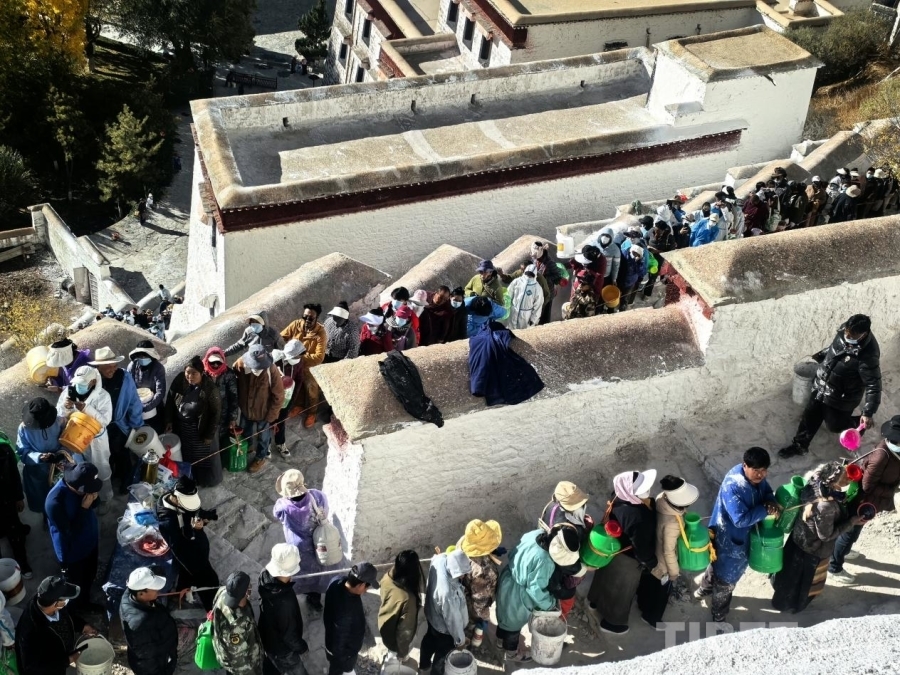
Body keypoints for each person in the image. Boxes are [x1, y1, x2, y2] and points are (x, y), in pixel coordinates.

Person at [696, 448, 778, 632]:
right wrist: (765, 510)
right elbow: (740, 520)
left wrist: (770, 501)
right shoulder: (734, 486)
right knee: (726, 581)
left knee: (715, 565)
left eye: (764, 470)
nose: (760, 475)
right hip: (729, 539)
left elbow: (766, 491)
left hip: (742, 536)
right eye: (756, 470)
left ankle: (704, 589)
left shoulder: (755, 478)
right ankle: (718, 616)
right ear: (744, 465)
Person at [779, 315, 881, 458]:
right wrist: (821, 356)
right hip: (822, 384)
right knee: (810, 416)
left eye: (851, 335)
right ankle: (800, 446)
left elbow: (873, 384)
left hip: (842, 397)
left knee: (835, 426)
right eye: (847, 332)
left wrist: (868, 412)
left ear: (863, 334)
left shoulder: (868, 356)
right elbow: (834, 348)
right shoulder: (843, 331)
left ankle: (858, 424)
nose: (847, 336)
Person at [772, 462, 861, 612]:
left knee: (788, 575)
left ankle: (780, 599)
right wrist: (851, 522)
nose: (848, 480)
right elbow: (826, 536)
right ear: (833, 482)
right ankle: (792, 605)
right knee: (801, 583)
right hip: (812, 550)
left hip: (798, 539)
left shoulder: (815, 482)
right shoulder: (826, 506)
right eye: (844, 478)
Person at [587, 470, 662, 634]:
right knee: (621, 592)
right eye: (643, 488)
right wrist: (651, 562)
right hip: (627, 558)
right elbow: (641, 547)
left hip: (610, 547)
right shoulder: (638, 516)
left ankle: (594, 602)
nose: (647, 491)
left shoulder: (618, 496)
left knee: (603, 578)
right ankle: (612, 623)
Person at [828, 416, 900, 583]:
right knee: (849, 533)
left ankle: (843, 550)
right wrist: (890, 490)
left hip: (872, 501)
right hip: (862, 500)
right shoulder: (882, 456)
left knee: (853, 531)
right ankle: (834, 567)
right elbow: (867, 486)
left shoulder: (893, 451)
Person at [273, 469, 338, 611]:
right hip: (319, 542)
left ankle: (304, 592)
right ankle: (315, 598)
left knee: (301, 571)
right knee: (318, 568)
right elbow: (325, 512)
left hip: (299, 546)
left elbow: (277, 515)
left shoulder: (282, 506)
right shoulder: (318, 496)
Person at [495, 528, 561, 661]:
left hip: (507, 579)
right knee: (513, 626)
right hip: (518, 596)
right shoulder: (545, 560)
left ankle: (500, 641)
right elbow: (535, 590)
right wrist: (550, 604)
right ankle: (512, 654)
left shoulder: (535, 534)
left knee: (503, 616)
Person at [45, 463, 102, 616]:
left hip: (90, 540)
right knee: (75, 585)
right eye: (88, 489)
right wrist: (83, 508)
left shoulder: (82, 487)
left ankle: (86, 598)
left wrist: (94, 498)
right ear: (77, 487)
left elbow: (95, 504)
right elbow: (69, 533)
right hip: (73, 551)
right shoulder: (55, 502)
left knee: (90, 574)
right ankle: (77, 610)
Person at [157, 476, 219, 610]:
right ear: (176, 498)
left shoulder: (170, 499)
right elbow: (184, 550)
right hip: (189, 554)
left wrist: (205, 517)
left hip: (191, 544)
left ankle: (182, 589)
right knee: (209, 583)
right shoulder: (168, 522)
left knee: (187, 578)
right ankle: (212, 611)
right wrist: (197, 531)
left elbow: (193, 510)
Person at [16, 576, 97, 675]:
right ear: (56, 604)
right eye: (66, 600)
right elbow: (33, 665)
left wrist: (82, 626)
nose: (67, 602)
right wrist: (68, 660)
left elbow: (68, 616)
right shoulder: (30, 630)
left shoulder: (46, 599)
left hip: (60, 656)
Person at [55, 366, 114, 503]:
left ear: (93, 382)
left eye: (83, 384)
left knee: (101, 469)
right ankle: (85, 498)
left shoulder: (103, 396)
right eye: (78, 383)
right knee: (80, 469)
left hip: (96, 441)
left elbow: (105, 420)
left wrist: (86, 409)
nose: (79, 386)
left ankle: (105, 498)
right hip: (74, 437)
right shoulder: (69, 391)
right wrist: (66, 407)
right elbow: (60, 415)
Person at [90, 346, 143, 495]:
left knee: (122, 454)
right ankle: (113, 478)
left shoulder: (124, 377)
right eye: (108, 366)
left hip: (118, 425)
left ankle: (126, 482)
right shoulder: (92, 380)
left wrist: (136, 424)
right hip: (100, 428)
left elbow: (133, 401)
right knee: (106, 456)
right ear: (98, 367)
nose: (112, 369)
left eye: (114, 365)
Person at [164, 356, 222, 487]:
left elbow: (216, 413)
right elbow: (170, 399)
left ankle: (204, 481)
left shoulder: (210, 389)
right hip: (183, 428)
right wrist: (169, 420)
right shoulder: (180, 380)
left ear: (201, 373)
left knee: (201, 458)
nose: (190, 376)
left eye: (194, 373)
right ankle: (190, 478)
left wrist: (209, 435)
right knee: (187, 455)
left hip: (200, 429)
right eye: (187, 372)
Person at [234, 344, 285, 473]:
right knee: (245, 430)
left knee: (263, 437)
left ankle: (260, 457)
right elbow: (234, 377)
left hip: (263, 412)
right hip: (246, 409)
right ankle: (249, 446)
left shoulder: (271, 370)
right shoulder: (240, 363)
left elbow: (279, 396)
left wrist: (271, 416)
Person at [258, 544, 309, 675]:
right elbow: (289, 636)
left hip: (267, 635)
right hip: (283, 650)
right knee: (297, 670)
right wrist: (302, 647)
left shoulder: (264, 575)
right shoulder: (285, 602)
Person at [651, 475, 699, 611]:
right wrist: (673, 573)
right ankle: (652, 617)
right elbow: (668, 551)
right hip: (663, 566)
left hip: (654, 551)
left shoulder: (662, 498)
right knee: (660, 594)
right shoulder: (673, 523)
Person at [421, 548, 470, 675]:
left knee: (429, 640)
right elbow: (453, 620)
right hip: (444, 629)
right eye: (461, 574)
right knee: (442, 654)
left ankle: (424, 665)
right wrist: (460, 640)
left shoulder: (440, 559)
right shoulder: (447, 593)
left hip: (431, 614)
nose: (463, 576)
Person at [323, 562, 379, 675]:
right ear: (361, 585)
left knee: (334, 664)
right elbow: (339, 640)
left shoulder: (336, 580)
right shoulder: (347, 611)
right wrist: (344, 658)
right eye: (367, 587)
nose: (366, 590)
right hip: (343, 653)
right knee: (338, 669)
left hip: (330, 641)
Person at [120, 567, 178, 675]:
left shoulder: (130, 593)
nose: (158, 591)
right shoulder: (140, 624)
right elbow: (147, 660)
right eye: (154, 589)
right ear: (141, 593)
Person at [16, 397, 64, 523]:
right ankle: (46, 516)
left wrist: (61, 454)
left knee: (60, 495)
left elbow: (68, 442)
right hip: (36, 471)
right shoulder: (24, 428)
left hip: (59, 467)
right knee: (42, 497)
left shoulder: (59, 421)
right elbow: (22, 452)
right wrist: (38, 457)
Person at [456, 519, 502, 647]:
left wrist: (491, 553)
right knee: (471, 623)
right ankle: (468, 641)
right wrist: (483, 617)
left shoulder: (463, 544)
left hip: (462, 590)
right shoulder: (483, 572)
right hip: (470, 603)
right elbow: (480, 601)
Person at [281, 304, 327, 429]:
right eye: (305, 317)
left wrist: (300, 357)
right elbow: (281, 338)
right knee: (295, 384)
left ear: (316, 318)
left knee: (311, 387)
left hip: (309, 366)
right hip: (294, 362)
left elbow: (319, 357)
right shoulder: (296, 324)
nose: (307, 320)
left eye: (310, 318)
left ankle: (312, 412)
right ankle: (299, 405)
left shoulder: (321, 333)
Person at [212, 571, 264, 675]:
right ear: (247, 592)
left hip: (228, 653)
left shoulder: (223, 591)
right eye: (249, 586)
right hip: (242, 666)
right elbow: (239, 662)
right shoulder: (236, 625)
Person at [379, 550, 425, 663]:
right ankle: (397, 660)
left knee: (391, 654)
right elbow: (405, 631)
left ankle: (390, 657)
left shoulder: (386, 578)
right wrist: (402, 653)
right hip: (395, 642)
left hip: (385, 628)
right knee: (399, 656)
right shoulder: (408, 599)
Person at [1, 423, 32, 577]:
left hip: (7, 499)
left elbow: (14, 475)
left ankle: (23, 564)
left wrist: (19, 497)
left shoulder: (4, 449)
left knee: (15, 534)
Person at [203, 347, 242, 460]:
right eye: (212, 362)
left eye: (218, 362)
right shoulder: (202, 373)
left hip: (223, 414)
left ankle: (219, 459)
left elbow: (233, 397)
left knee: (221, 437)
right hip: (206, 414)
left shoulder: (228, 374)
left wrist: (233, 418)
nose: (215, 365)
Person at [272, 340, 307, 458]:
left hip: (287, 397)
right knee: (268, 421)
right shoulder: (276, 360)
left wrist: (292, 399)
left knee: (281, 421)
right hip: (273, 397)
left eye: (299, 356)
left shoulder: (299, 362)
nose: (298, 358)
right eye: (296, 356)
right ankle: (265, 445)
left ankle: (280, 443)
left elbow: (299, 379)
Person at [127, 340, 167, 434]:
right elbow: (128, 387)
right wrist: (134, 405)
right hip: (136, 404)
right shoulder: (133, 365)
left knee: (156, 431)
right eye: (140, 356)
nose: (142, 358)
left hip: (155, 406)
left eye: (145, 356)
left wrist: (147, 407)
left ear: (151, 356)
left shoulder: (158, 368)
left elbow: (160, 392)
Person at [506, 265, 544, 330]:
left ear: (534, 275)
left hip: (525, 317)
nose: (528, 276)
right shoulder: (516, 282)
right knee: (511, 331)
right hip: (513, 312)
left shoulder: (537, 288)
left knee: (522, 333)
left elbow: (538, 306)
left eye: (531, 274)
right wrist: (506, 308)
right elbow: (508, 295)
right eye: (527, 273)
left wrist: (533, 320)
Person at [616, 244, 645, 311]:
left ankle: (622, 310)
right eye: (634, 253)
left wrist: (639, 263)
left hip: (630, 282)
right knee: (616, 294)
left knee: (625, 297)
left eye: (638, 254)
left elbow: (641, 272)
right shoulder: (623, 253)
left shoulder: (640, 260)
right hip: (620, 279)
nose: (635, 255)